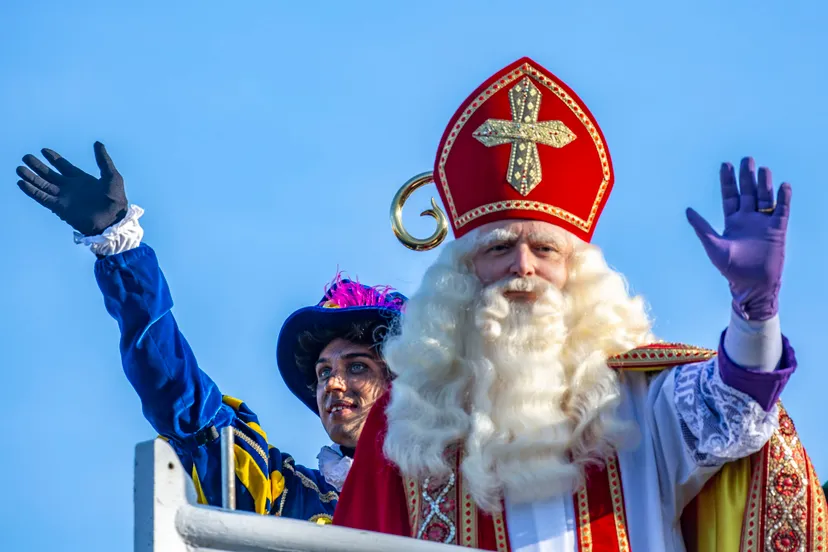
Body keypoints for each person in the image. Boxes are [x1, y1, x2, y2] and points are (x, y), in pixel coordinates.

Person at [333, 57, 826, 550]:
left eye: (545, 249)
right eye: (499, 247)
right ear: (462, 275)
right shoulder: (412, 419)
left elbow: (735, 405)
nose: (523, 267)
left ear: (578, 272)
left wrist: (754, 311)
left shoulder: (639, 400)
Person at [14, 143, 406, 523]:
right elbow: (183, 401)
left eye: (356, 367)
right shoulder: (285, 497)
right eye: (323, 372)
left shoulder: (462, 487)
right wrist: (119, 245)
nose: (332, 385)